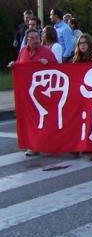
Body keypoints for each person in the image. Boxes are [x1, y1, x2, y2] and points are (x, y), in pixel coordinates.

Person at [8, 28, 57, 157]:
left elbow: (57, 69)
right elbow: (20, 65)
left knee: (43, 120)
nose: (35, 40)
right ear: (27, 40)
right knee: (29, 121)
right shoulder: (23, 51)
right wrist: (14, 64)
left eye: (37, 37)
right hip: (26, 94)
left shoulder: (47, 52)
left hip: (42, 94)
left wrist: (48, 64)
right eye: (32, 38)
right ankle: (32, 146)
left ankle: (45, 144)